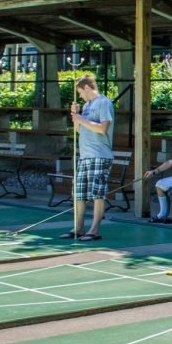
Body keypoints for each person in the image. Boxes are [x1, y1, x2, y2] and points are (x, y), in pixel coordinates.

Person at [64, 75, 114, 242]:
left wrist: (81, 119)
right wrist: (75, 115)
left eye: (80, 92)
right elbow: (80, 130)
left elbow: (102, 128)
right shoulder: (86, 106)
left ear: (86, 88)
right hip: (84, 155)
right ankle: (78, 227)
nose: (80, 96)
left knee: (97, 193)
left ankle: (94, 230)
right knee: (79, 194)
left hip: (99, 154)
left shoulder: (104, 103)